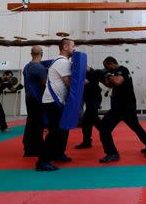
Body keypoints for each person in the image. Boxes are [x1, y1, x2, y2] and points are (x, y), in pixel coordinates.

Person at [98, 57, 146, 163]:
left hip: (124, 107)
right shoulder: (116, 73)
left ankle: (112, 153)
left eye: (107, 66)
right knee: (136, 127)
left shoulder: (122, 70)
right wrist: (101, 78)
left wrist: (107, 74)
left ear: (111, 63)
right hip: (122, 107)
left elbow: (117, 81)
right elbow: (110, 84)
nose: (106, 69)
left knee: (104, 127)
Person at [36, 38, 75, 171]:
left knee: (62, 130)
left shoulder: (62, 62)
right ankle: (42, 162)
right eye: (72, 46)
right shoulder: (62, 62)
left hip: (56, 101)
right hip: (53, 101)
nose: (74, 49)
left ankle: (58, 154)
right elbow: (68, 82)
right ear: (65, 47)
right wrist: (83, 81)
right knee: (54, 132)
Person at [22, 46, 47, 157]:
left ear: (31, 54)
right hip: (37, 98)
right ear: (41, 54)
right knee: (37, 124)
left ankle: (28, 148)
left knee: (30, 122)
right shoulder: (39, 68)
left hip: (29, 98)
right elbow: (45, 84)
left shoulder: (26, 67)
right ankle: (36, 147)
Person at [74, 67, 104, 149]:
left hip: (94, 99)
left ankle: (105, 134)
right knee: (88, 121)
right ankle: (87, 141)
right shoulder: (84, 73)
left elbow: (87, 82)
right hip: (90, 99)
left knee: (91, 120)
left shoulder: (93, 73)